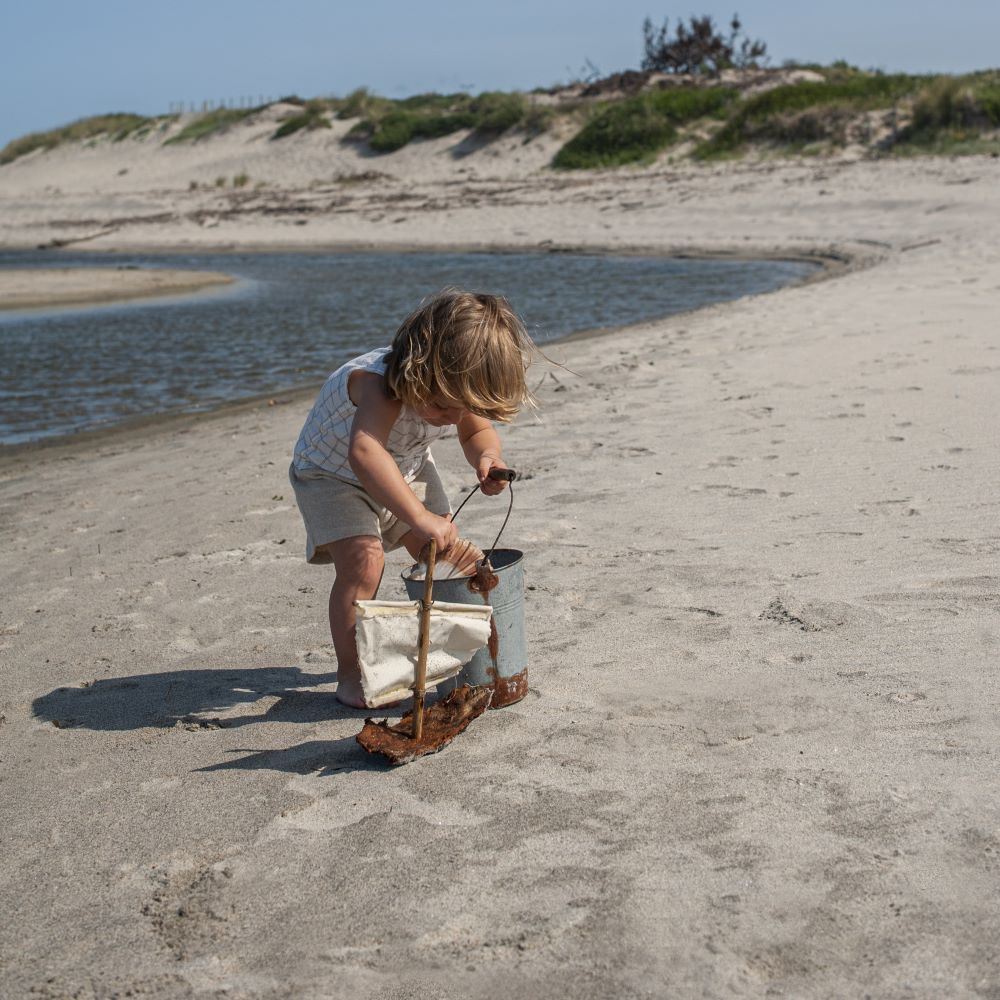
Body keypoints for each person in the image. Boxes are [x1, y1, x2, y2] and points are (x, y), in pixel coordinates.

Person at [289, 289, 534, 708]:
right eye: (442, 407)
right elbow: (364, 453)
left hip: (406, 464)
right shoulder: (378, 384)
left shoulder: (457, 387)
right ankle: (353, 673)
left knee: (450, 555)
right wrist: (419, 515)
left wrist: (488, 457)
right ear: (420, 372)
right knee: (365, 563)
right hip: (331, 475)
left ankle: (452, 660)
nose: (455, 418)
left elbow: (476, 433)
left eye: (464, 408)